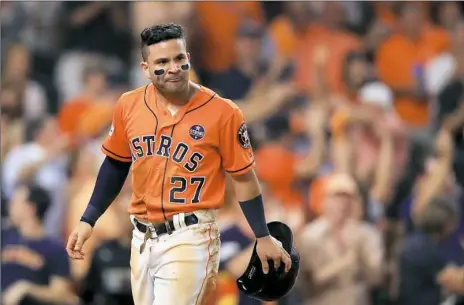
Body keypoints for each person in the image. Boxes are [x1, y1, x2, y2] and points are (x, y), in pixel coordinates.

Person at [66, 23, 292, 305]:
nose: (173, 67)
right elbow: (115, 163)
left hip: (192, 235)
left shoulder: (222, 112)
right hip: (142, 236)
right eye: (162, 61)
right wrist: (89, 218)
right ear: (145, 68)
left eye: (179, 58)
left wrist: (262, 235)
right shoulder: (128, 105)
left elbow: (245, 178)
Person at [2, 184, 78, 305]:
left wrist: (26, 288)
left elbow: (60, 293)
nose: (10, 207)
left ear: (30, 208)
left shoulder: (54, 248)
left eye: (15, 202)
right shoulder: (5, 237)